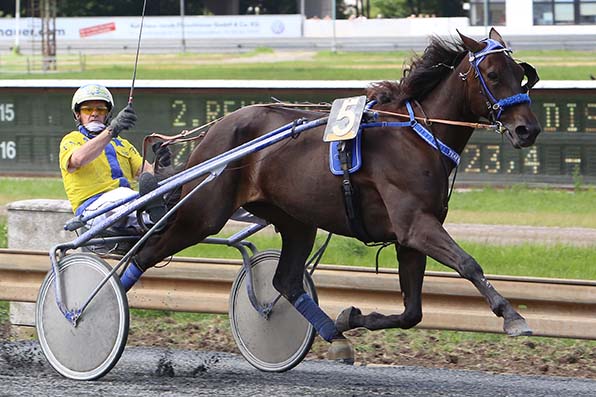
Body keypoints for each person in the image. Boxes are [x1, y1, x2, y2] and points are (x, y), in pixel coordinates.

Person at [59, 83, 168, 291]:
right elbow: (78, 160)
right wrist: (112, 131)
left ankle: (157, 219)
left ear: (107, 114)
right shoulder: (72, 140)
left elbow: (147, 175)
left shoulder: (123, 145)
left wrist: (162, 164)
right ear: (78, 115)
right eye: (87, 109)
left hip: (126, 203)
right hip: (92, 211)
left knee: (157, 193)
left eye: (100, 110)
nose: (94, 114)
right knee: (126, 196)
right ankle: (154, 218)